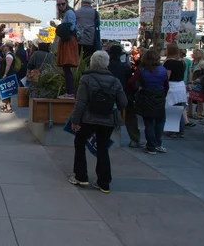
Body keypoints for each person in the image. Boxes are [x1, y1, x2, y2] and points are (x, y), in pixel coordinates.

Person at [69, 51, 127, 194]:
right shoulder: (115, 81)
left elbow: (80, 102)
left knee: (80, 143)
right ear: (106, 63)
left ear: (92, 63)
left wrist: (75, 120)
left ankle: (81, 176)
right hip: (107, 120)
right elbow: (123, 102)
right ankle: (104, 182)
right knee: (103, 149)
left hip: (88, 119)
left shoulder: (86, 78)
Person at [128, 50, 169, 155]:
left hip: (147, 95)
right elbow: (166, 85)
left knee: (149, 121)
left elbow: (131, 81)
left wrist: (138, 89)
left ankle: (151, 146)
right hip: (159, 95)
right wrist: (163, 94)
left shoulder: (142, 70)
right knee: (159, 121)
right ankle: (158, 143)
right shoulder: (163, 70)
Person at [107, 45, 137, 147]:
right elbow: (130, 82)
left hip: (107, 95)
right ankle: (134, 139)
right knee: (130, 116)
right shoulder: (125, 67)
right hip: (124, 94)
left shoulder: (106, 66)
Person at [52, 0, 79, 99]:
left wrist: (60, 28)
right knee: (65, 67)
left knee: (67, 67)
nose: (60, 6)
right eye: (58, 4)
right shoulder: (65, 14)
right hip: (65, 40)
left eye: (62, 4)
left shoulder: (69, 12)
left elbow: (71, 27)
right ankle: (69, 92)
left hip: (68, 41)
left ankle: (70, 93)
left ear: (66, 3)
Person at [163, 43, 190, 138]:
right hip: (180, 85)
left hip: (172, 86)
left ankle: (172, 130)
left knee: (171, 108)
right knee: (179, 108)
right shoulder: (182, 62)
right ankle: (180, 129)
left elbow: (167, 76)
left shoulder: (169, 63)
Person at [189, 49, 204, 120]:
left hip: (198, 82)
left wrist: (199, 79)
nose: (193, 55)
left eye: (194, 53)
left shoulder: (202, 63)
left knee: (199, 98)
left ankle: (200, 113)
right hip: (191, 81)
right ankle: (189, 112)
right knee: (190, 97)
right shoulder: (191, 62)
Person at [0, 42, 16, 113]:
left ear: (8, 47)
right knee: (8, 91)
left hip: (8, 75)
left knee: (6, 91)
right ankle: (7, 105)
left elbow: (8, 65)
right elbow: (0, 48)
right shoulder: (9, 54)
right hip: (9, 74)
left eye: (5, 46)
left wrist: (5, 74)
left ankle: (8, 107)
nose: (4, 47)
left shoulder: (9, 55)